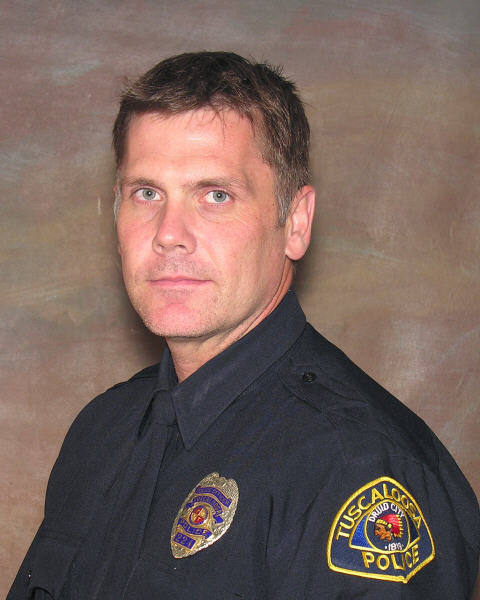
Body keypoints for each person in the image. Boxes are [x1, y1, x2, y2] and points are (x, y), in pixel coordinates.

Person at [8, 51, 479, 599]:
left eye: (215, 195)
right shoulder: (101, 432)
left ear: (295, 222)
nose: (168, 234)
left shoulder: (357, 468)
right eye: (147, 193)